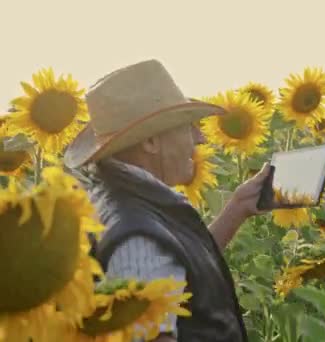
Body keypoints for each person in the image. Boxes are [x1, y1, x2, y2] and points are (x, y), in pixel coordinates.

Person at [64, 59, 270, 341]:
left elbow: (178, 267)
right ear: (150, 142)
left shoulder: (118, 196)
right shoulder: (138, 238)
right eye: (187, 127)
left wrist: (237, 208)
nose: (200, 138)